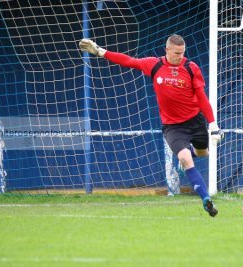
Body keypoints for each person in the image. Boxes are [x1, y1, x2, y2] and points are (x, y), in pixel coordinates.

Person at [79, 34, 221, 217]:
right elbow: (128, 61)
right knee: (186, 158)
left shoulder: (191, 68)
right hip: (173, 127)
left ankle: (187, 155)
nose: (180, 56)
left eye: (182, 53)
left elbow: (202, 98)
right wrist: (100, 51)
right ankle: (206, 199)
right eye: (177, 53)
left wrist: (213, 125)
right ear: (167, 50)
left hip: (195, 121)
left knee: (203, 153)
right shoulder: (154, 65)